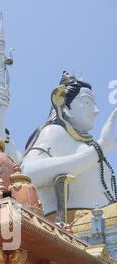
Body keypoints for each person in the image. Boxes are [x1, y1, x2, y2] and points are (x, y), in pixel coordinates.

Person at [21, 71, 117, 221]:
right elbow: (27, 174)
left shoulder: (87, 145)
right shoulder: (55, 132)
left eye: (94, 104)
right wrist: (100, 148)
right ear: (64, 105)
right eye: (87, 102)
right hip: (74, 227)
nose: (96, 111)